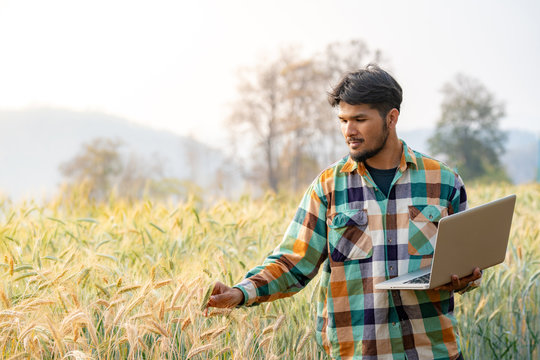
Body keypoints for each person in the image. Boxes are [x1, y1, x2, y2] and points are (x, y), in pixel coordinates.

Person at [206, 64, 482, 360]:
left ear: (391, 118)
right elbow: (292, 261)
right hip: (360, 354)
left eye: (360, 120)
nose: (349, 131)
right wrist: (241, 292)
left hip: (433, 352)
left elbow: (466, 263)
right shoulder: (328, 187)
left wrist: (467, 277)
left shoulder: (444, 182)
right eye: (343, 120)